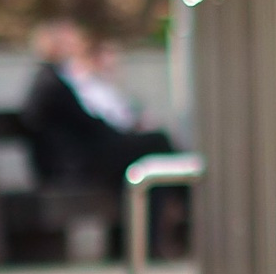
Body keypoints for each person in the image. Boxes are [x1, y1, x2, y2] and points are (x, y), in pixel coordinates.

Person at [22, 20, 177, 189]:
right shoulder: (52, 83)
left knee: (150, 149)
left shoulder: (50, 79)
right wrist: (120, 136)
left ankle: (163, 201)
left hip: (75, 158)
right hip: (73, 164)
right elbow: (85, 123)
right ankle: (187, 197)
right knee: (157, 142)